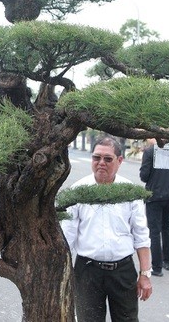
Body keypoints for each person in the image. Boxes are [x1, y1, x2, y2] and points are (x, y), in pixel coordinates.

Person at [62, 136, 152, 322]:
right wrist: (63, 274)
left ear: (119, 161)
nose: (101, 163)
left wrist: (145, 274)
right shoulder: (78, 192)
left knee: (127, 319)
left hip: (122, 271)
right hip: (87, 271)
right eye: (97, 158)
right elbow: (67, 237)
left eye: (108, 159)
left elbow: (141, 235)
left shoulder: (130, 192)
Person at [139, 138, 169, 276]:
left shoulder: (150, 151)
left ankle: (157, 267)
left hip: (154, 195)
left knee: (154, 231)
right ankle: (168, 261)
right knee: (166, 226)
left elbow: (144, 175)